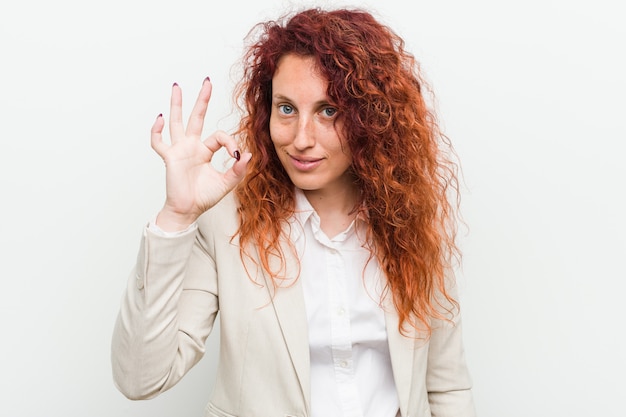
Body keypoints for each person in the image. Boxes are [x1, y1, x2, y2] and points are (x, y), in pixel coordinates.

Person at [111, 7, 475, 417]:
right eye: (286, 108)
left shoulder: (413, 221)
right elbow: (141, 379)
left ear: (370, 118)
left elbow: (447, 388)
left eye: (328, 110)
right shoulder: (225, 223)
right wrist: (176, 217)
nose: (301, 139)